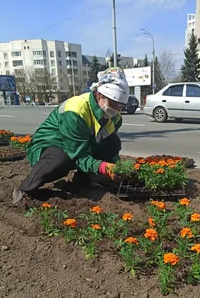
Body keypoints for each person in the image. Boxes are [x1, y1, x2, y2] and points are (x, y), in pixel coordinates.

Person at [12, 67, 129, 205]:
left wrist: (118, 167)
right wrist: (104, 167)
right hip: (49, 144)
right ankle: (25, 188)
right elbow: (78, 155)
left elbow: (108, 145)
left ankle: (81, 181)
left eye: (120, 106)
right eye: (113, 103)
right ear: (99, 95)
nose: (116, 109)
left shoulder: (115, 117)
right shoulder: (76, 111)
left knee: (113, 143)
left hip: (78, 144)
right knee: (62, 159)